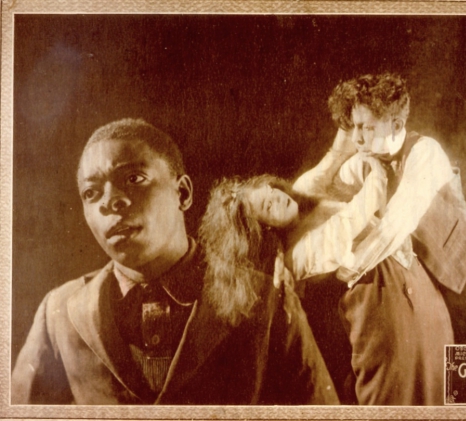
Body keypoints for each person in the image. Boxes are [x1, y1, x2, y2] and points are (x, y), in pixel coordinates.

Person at [11, 118, 339, 405]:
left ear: (182, 193)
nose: (110, 201)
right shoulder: (57, 313)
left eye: (133, 178)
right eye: (91, 193)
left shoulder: (267, 298)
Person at [202, 165, 454, 405]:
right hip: (387, 321)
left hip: (413, 292)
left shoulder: (306, 204)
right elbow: (354, 216)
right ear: (263, 232)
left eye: (270, 190)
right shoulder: (298, 255)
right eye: (268, 205)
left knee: (440, 384)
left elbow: (330, 167)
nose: (277, 196)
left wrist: (363, 161)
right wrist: (377, 170)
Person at [325, 72, 466, 345]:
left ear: (396, 125)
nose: (356, 138)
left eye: (366, 128)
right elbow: (324, 190)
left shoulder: (426, 152)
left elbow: (396, 225)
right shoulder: (366, 162)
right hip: (434, 301)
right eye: (353, 127)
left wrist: (347, 270)